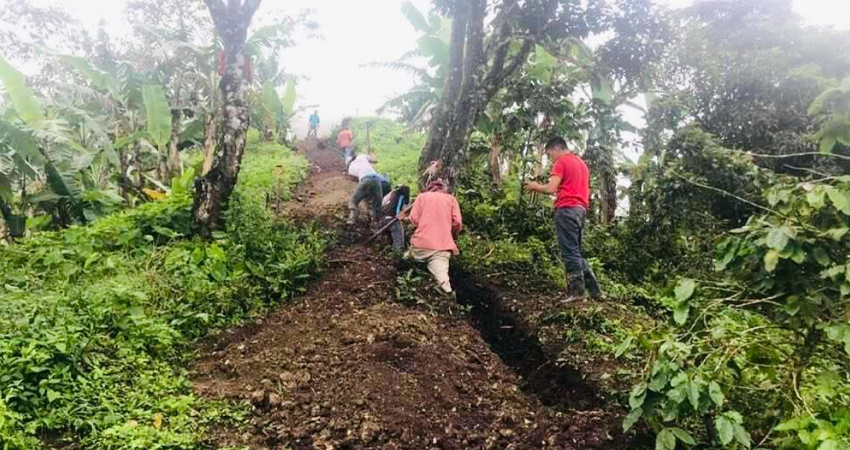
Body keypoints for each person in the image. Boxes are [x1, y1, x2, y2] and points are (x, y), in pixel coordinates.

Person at [525, 137, 602, 303]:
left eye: (549, 154)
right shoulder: (581, 164)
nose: (550, 157)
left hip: (567, 209)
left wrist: (535, 186)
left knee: (569, 252)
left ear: (556, 148)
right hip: (580, 210)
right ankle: (595, 291)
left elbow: (551, 188)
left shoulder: (561, 162)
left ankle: (578, 293)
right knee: (575, 251)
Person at [401, 179, 462, 293]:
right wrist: (452, 237)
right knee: (443, 283)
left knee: (403, 265)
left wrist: (404, 219)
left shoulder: (422, 197)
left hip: (420, 246)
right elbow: (457, 223)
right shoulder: (451, 199)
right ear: (443, 189)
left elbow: (413, 220)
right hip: (442, 248)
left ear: (429, 188)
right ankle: (449, 302)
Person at [381, 185, 410, 251]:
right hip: (392, 220)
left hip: (382, 219)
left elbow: (382, 205)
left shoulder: (390, 195)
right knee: (399, 242)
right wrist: (402, 218)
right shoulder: (402, 196)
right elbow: (399, 212)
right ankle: (397, 256)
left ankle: (387, 253)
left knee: (388, 241)